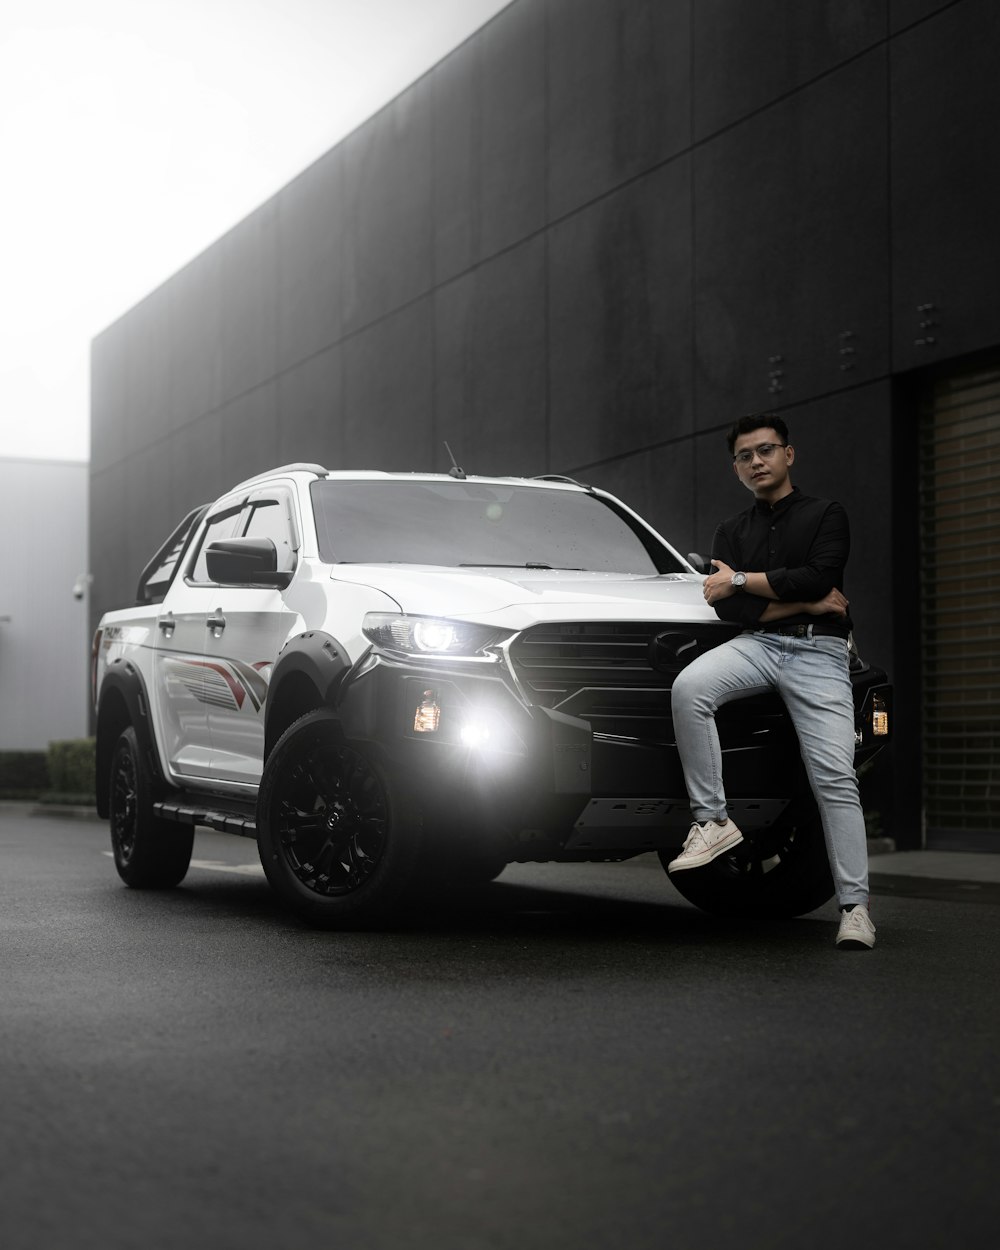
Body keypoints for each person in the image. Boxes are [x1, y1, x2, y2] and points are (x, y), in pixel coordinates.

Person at [668, 414, 876, 949]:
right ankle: (713, 821)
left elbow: (818, 576)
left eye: (765, 451)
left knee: (834, 777)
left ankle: (855, 909)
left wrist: (742, 579)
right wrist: (802, 600)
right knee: (690, 689)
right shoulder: (730, 531)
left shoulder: (827, 514)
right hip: (756, 645)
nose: (756, 462)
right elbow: (728, 610)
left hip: (820, 652)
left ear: (788, 454)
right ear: (735, 468)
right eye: (744, 456)